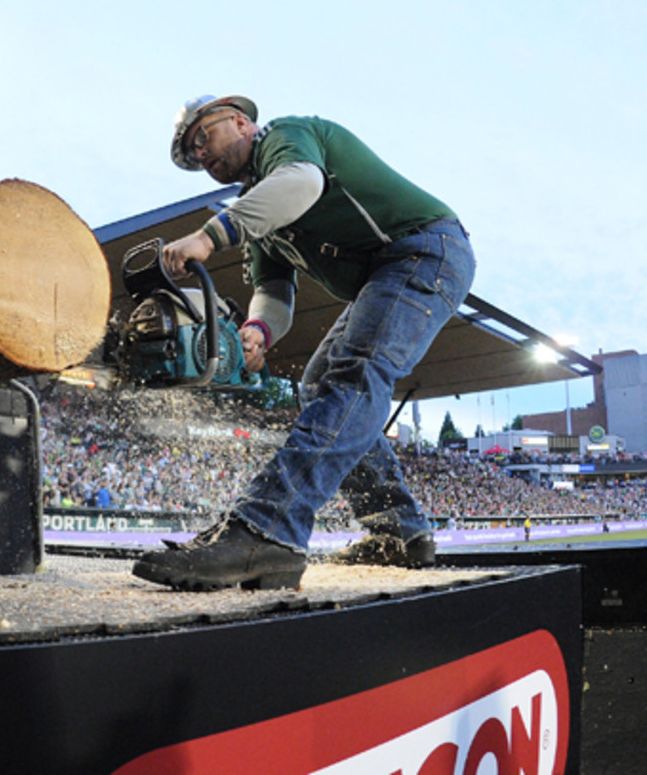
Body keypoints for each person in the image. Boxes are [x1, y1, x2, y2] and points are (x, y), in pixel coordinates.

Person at [133, 95, 476, 591]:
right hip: (397, 266)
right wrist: (258, 331)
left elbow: (302, 183)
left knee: (354, 375)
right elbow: (273, 294)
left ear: (240, 121)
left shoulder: (285, 137)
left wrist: (208, 238)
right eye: (192, 153)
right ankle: (398, 531)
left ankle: (268, 530)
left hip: (424, 249)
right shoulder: (260, 214)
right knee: (318, 382)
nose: (200, 154)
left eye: (203, 138)